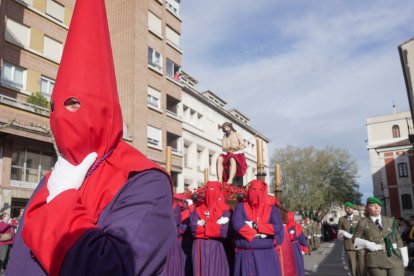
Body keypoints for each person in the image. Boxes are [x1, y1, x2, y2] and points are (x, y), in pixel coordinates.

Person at [6, 0, 175, 275]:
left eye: (74, 103)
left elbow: (110, 267)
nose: (60, 115)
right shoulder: (53, 176)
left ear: (103, 106)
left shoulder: (144, 181)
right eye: (54, 106)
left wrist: (62, 199)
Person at [232, 180, 284, 275]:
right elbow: (237, 224)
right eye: (254, 189)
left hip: (266, 256)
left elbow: (277, 227)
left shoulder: (271, 208)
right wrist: (257, 234)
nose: (256, 193)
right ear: (249, 190)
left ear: (264, 191)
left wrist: (256, 226)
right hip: (245, 255)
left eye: (260, 190)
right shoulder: (241, 206)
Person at [352, 197, 408, 276]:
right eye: (372, 205)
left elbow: (398, 240)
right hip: (375, 260)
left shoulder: (391, 221)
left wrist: (405, 257)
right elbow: (355, 239)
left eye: (378, 205)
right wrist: (367, 244)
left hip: (394, 256)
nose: (376, 207)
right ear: (367, 208)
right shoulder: (363, 223)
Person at [190, 181, 231, 276]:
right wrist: (214, 226)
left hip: (216, 247)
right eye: (208, 189)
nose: (210, 192)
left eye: (213, 189)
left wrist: (204, 225)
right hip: (199, 247)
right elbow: (193, 229)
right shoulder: (198, 208)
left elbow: (224, 231)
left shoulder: (224, 209)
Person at [337, 202, 366, 276]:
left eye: (350, 208)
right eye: (346, 208)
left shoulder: (359, 218)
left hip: (360, 245)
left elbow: (365, 230)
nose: (348, 209)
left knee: (362, 265)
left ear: (352, 209)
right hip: (349, 245)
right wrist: (344, 233)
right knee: (352, 266)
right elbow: (339, 231)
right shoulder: (342, 219)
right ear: (345, 209)